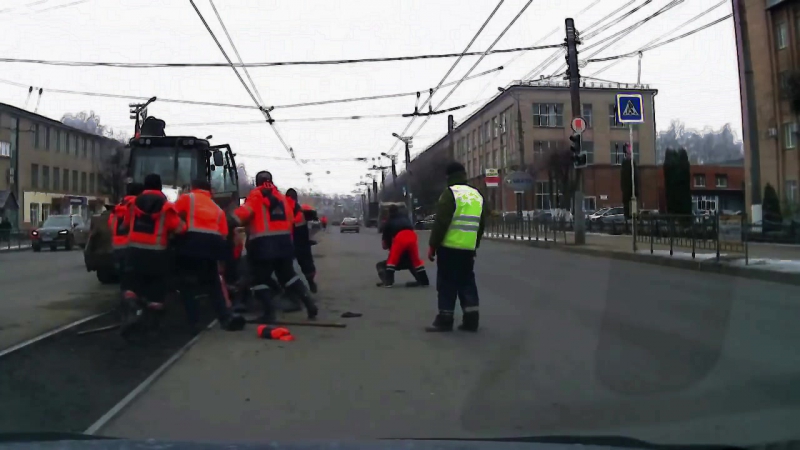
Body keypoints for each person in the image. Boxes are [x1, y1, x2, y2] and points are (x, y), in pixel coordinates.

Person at [231, 170, 318, 323]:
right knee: (288, 275)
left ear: (257, 182)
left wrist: (229, 220)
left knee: (259, 279)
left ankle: (269, 314)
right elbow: (291, 218)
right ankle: (309, 304)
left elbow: (242, 215)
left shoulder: (256, 196)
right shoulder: (282, 197)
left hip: (263, 244)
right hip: (284, 243)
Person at [174, 179, 245, 334]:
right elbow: (224, 234)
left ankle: (193, 323)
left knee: (188, 285)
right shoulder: (217, 208)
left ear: (192, 188)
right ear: (210, 192)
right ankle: (225, 318)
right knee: (213, 284)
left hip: (191, 244)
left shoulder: (187, 198)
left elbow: (172, 215)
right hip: (213, 246)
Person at [426, 162, 487, 332]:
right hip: (467, 249)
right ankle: (471, 320)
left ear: (448, 176)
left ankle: (445, 320)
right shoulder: (477, 195)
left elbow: (441, 223)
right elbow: (481, 225)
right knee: (467, 282)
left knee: (447, 284)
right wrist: (474, 246)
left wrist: (432, 246)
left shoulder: (450, 194)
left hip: (449, 248)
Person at [121, 174, 186, 333]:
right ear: (159, 187)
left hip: (134, 252)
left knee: (133, 285)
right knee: (156, 289)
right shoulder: (166, 206)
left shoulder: (133, 203)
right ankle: (152, 325)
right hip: (157, 255)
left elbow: (126, 224)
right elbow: (179, 229)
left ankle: (134, 310)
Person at [376, 204, 429, 288]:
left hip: (401, 237)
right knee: (416, 260)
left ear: (389, 212)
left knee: (392, 261)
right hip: (412, 236)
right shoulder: (405, 218)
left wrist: (390, 246)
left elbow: (384, 244)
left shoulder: (389, 222)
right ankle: (424, 281)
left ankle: (388, 282)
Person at [108, 182, 144, 298]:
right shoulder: (138, 205)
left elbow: (111, 224)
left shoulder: (118, 207)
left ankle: (125, 305)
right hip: (132, 247)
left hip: (117, 248)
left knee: (124, 282)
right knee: (136, 281)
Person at [285, 188, 318, 294]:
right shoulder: (302, 210)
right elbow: (314, 221)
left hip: (286, 243)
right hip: (301, 243)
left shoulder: (282, 208)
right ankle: (310, 283)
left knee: (286, 268)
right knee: (307, 265)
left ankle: (291, 290)